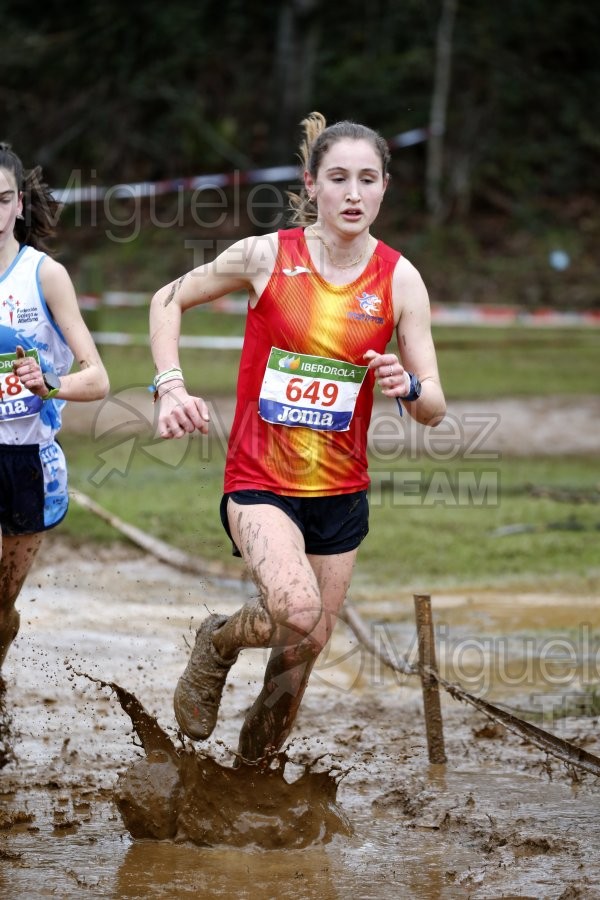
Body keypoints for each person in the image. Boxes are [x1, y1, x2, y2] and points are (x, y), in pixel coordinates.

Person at [149, 112, 446, 764]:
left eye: (367, 180)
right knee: (296, 609)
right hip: (260, 482)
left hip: (341, 495)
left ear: (384, 189)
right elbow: (167, 299)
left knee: (299, 656)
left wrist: (411, 386)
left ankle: (253, 777)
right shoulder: (265, 256)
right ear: (311, 184)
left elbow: (436, 404)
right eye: (338, 177)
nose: (352, 193)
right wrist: (170, 384)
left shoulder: (400, 280)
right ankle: (219, 642)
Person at [0, 143, 110, 678]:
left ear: (18, 204)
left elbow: (98, 379)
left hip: (27, 461)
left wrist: (49, 383)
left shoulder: (44, 276)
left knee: (0, 610)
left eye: (1, 200)